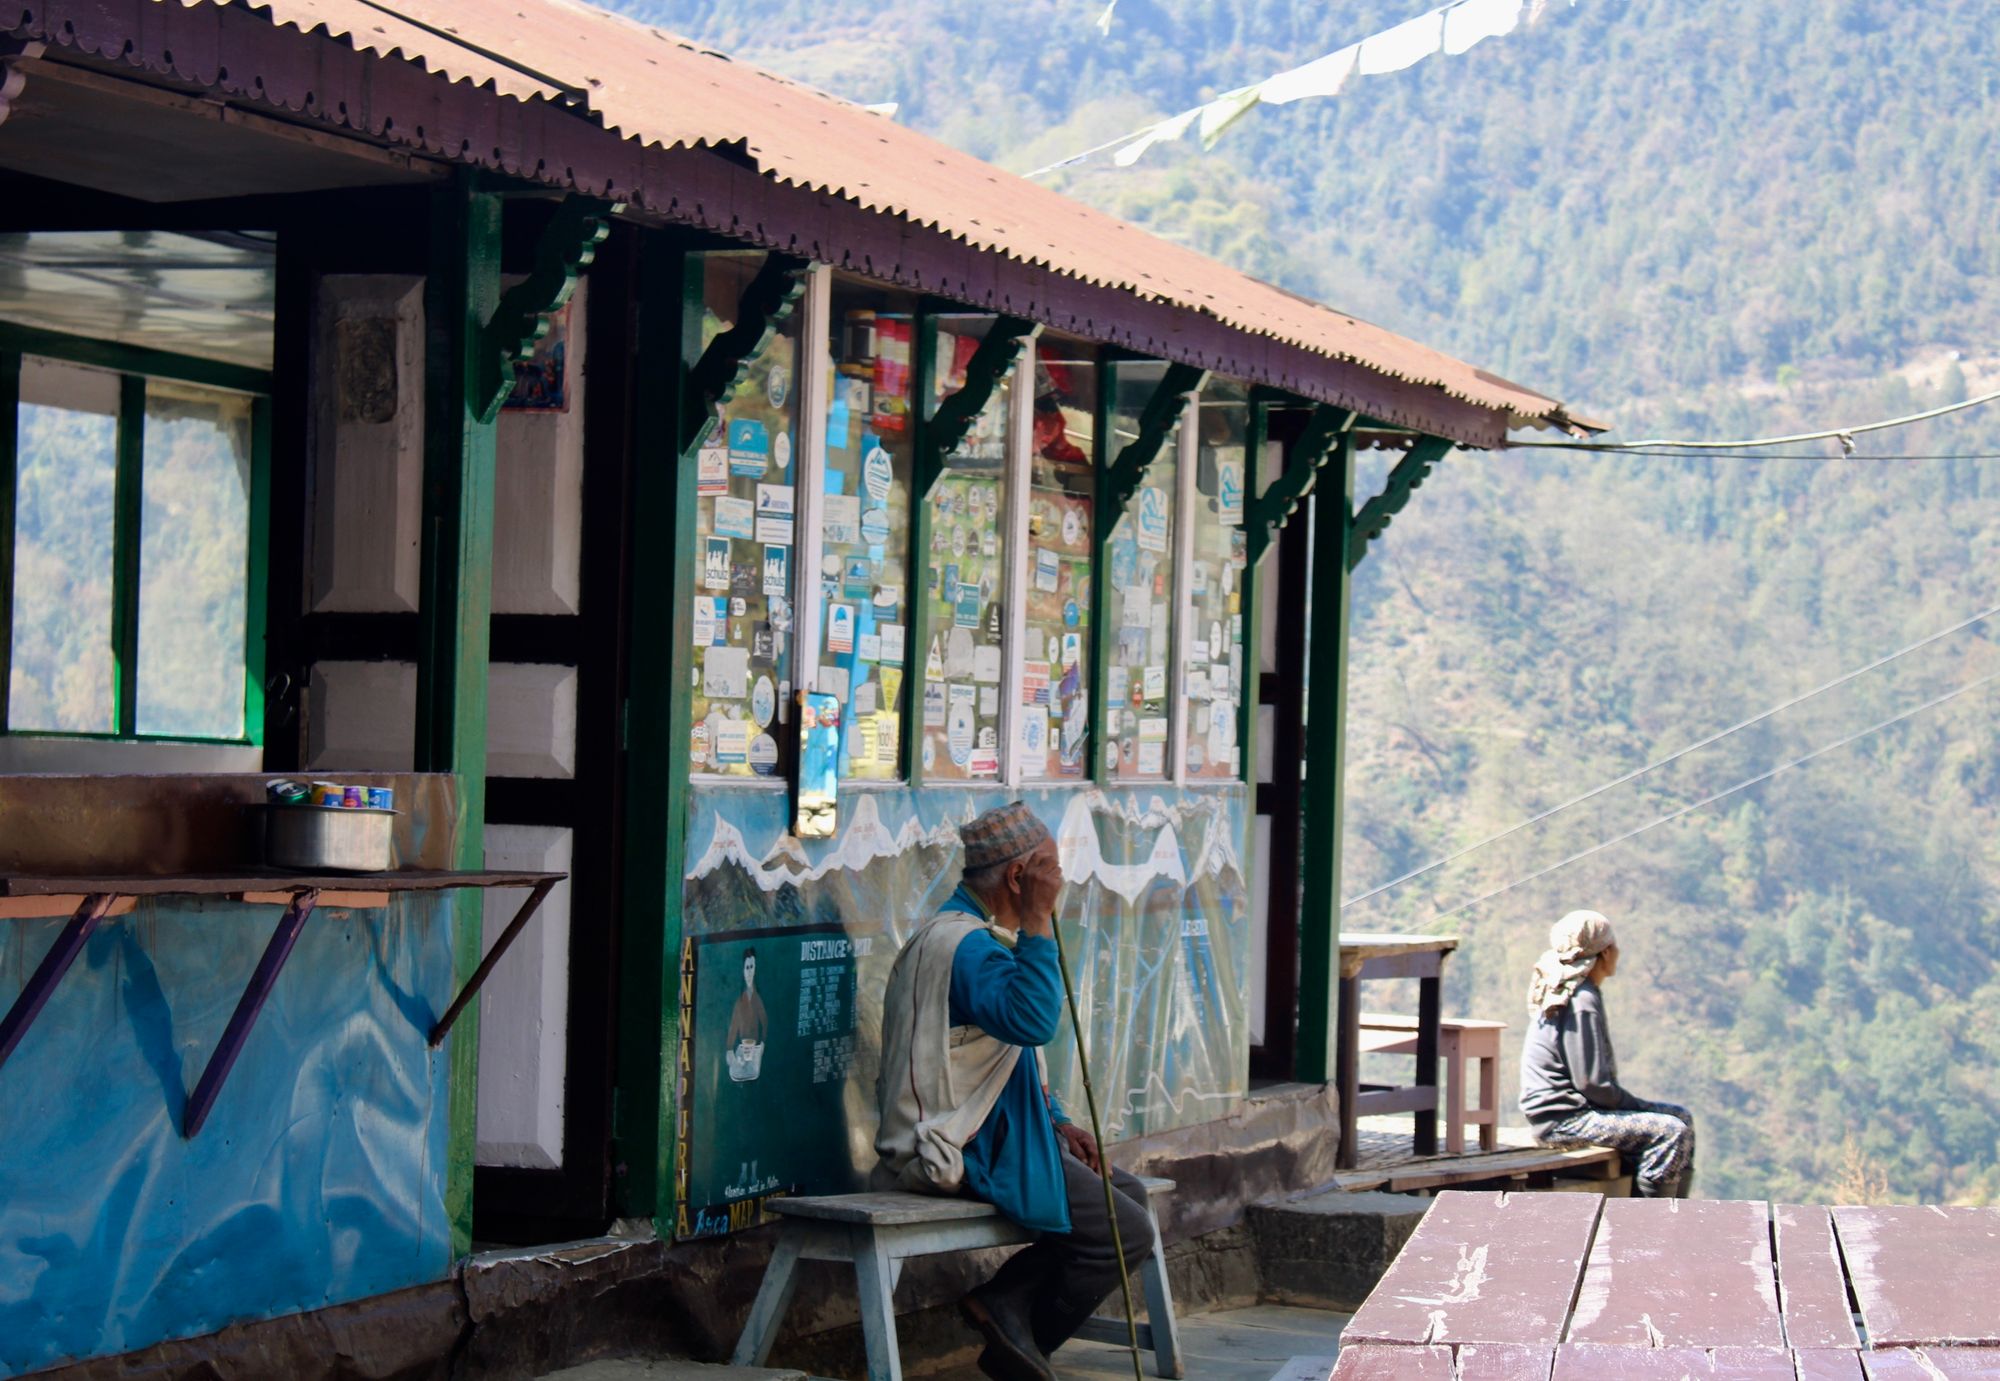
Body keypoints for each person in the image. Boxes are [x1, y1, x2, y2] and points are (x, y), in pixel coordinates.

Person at [873, 802, 1154, 1381]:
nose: (1060, 880)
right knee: (1123, 1231)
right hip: (964, 1141)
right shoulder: (967, 945)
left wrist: (1056, 1122)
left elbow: (1007, 1060)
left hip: (1006, 1129)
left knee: (1130, 1198)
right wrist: (1039, 923)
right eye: (1049, 868)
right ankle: (1017, 1343)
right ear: (1019, 877)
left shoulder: (982, 937)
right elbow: (1031, 1023)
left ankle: (1004, 1310)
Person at [1518, 910, 1696, 1198]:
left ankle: (1675, 1210)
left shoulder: (1573, 991)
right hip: (1564, 1121)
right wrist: (1637, 1106)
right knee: (1670, 1132)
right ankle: (1653, 1224)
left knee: (1681, 1117)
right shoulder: (1581, 999)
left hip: (1570, 1112)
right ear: (1604, 953)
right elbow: (1592, 1084)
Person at [725, 949, 767, 1082]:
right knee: (736, 1072)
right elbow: (734, 1025)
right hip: (742, 1049)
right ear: (743, 971)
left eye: (751, 967)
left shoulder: (759, 997)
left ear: (755, 969)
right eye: (747, 967)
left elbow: (765, 1022)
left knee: (753, 1073)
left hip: (756, 1049)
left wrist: (762, 1045)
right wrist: (729, 1049)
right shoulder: (739, 1000)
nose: (749, 971)